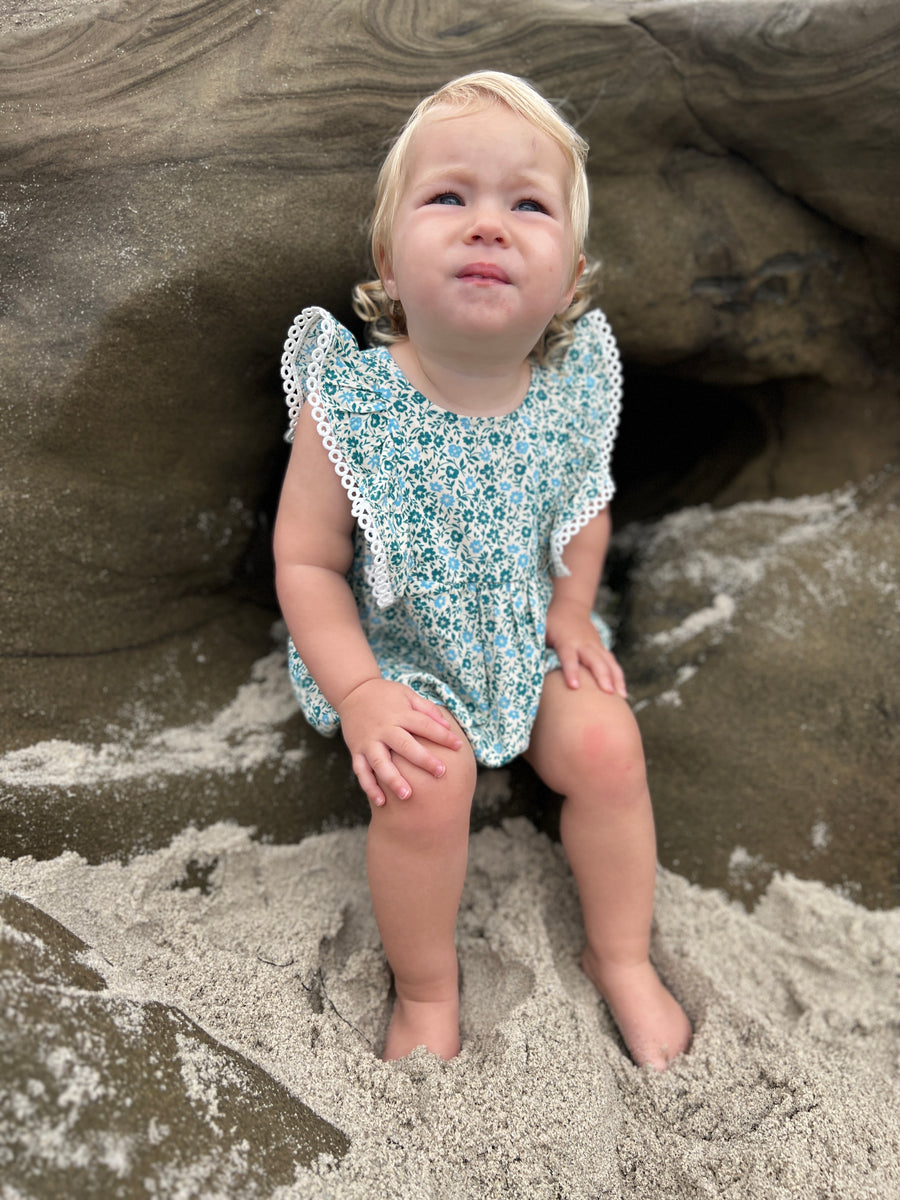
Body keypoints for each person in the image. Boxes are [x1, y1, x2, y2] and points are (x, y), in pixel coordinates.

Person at [273, 70, 691, 1070]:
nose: (489, 225)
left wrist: (574, 611)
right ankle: (426, 989)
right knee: (426, 787)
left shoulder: (566, 388)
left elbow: (584, 507)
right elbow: (307, 561)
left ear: (572, 277)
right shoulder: (354, 404)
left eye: (528, 205)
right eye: (449, 196)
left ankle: (620, 955)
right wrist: (361, 692)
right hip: (403, 655)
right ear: (388, 259)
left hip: (523, 632)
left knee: (608, 748)